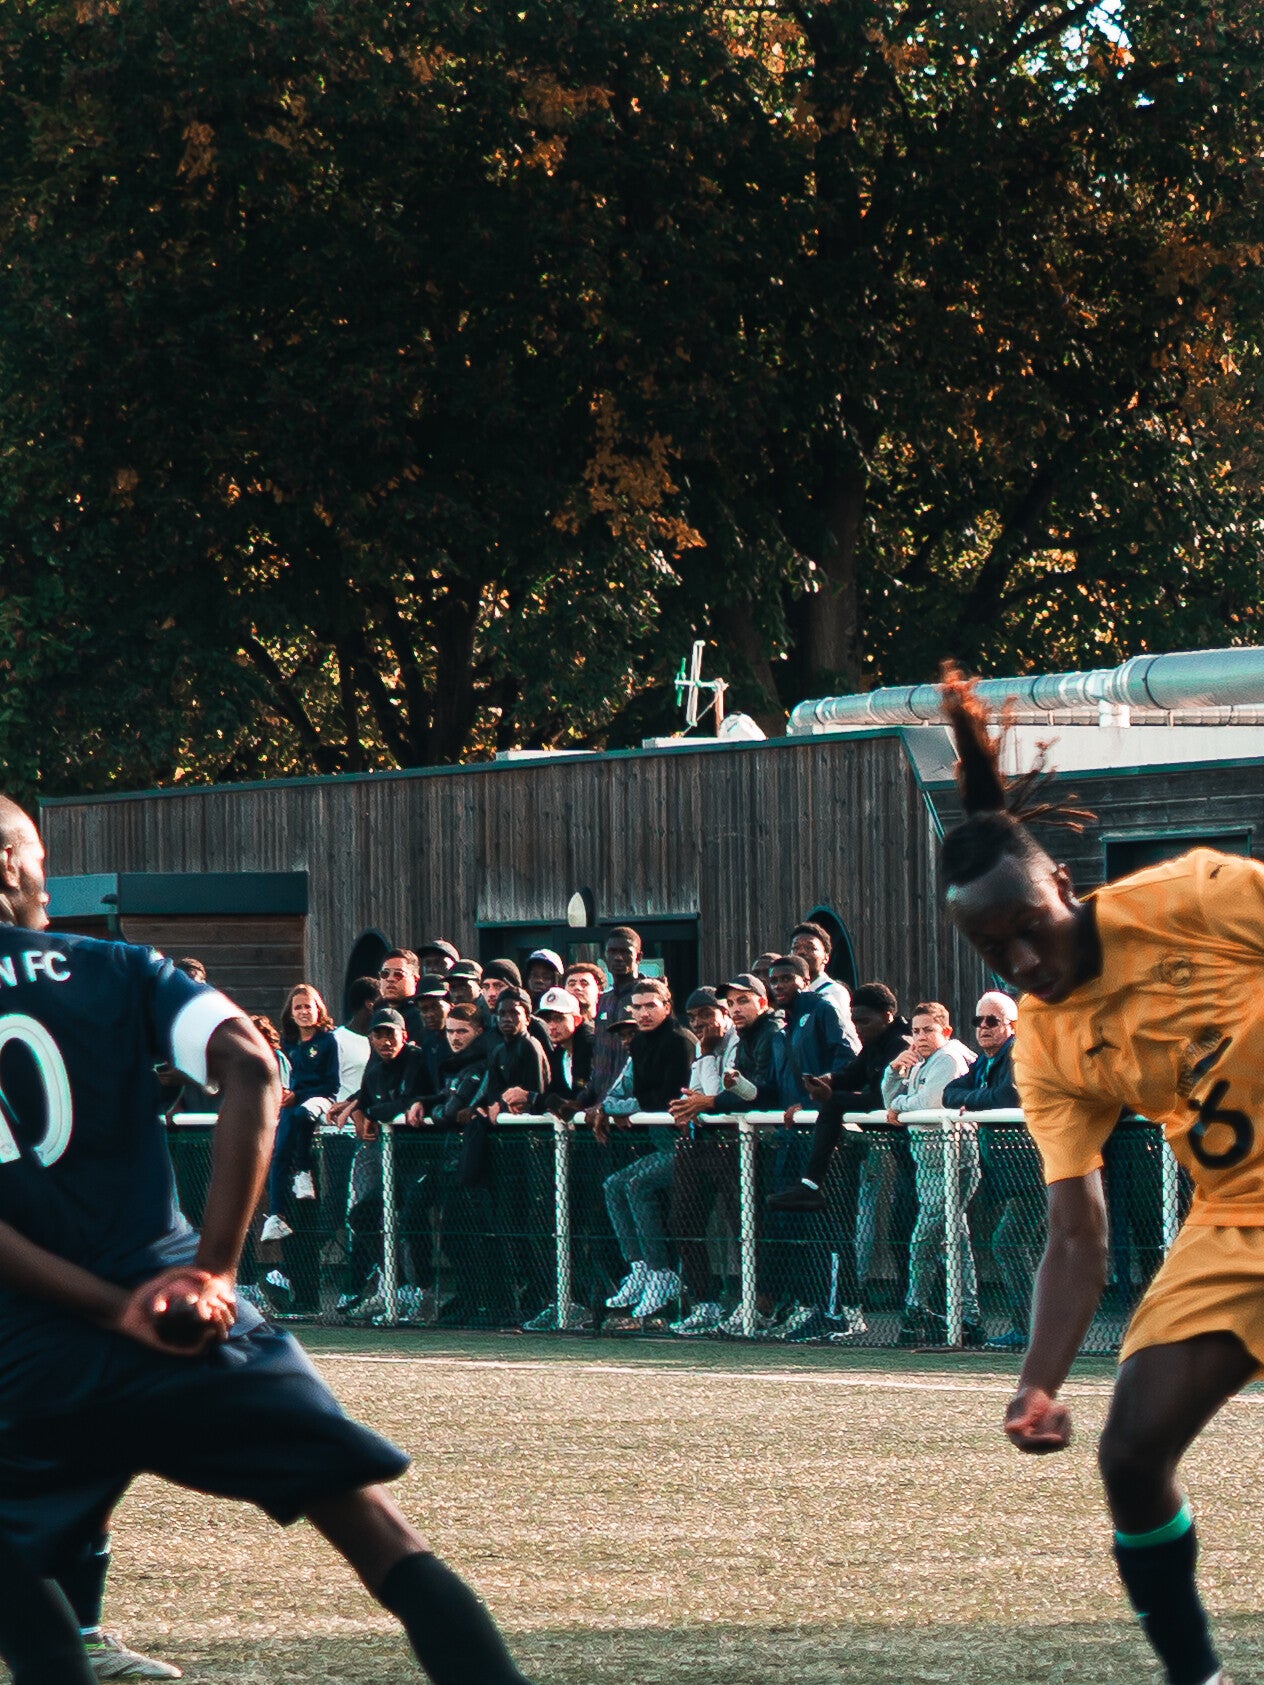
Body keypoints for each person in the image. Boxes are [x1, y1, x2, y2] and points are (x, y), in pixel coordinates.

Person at [0, 794, 533, 1685]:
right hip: (187, 1312)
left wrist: (106, 1309)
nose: (48, 881)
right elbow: (252, 1062)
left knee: (22, 1599)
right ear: (9, 862)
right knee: (379, 1536)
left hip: (31, 1348)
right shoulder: (119, 966)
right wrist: (212, 1270)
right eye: (42, 859)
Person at [939, 667, 1260, 1685]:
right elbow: (1078, 1234)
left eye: (1029, 924)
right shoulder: (1044, 1046)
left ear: (1065, 887)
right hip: (1238, 1223)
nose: (1023, 961)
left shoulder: (1192, 897)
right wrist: (1036, 1379)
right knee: (1129, 1454)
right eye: (993, 949)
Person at [883, 1001, 983, 1348]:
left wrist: (899, 1107)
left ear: (946, 1031)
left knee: (926, 1237)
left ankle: (916, 1311)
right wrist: (893, 1071)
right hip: (926, 1163)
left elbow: (931, 1103)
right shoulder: (918, 1060)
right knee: (954, 1239)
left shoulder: (949, 1058)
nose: (921, 1037)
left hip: (954, 1160)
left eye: (928, 1030)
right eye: (916, 1031)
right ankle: (968, 1318)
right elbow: (890, 1100)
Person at [596, 978, 695, 1322]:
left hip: (687, 1146)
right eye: (637, 1007)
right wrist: (617, 1107)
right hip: (660, 1144)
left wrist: (622, 1108)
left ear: (667, 1006)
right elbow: (632, 1095)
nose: (643, 1013)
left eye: (650, 1006)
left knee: (637, 1184)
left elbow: (665, 1098)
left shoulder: (680, 1041)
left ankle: (661, 1272)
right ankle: (640, 1267)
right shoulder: (639, 1044)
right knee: (614, 1184)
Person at [942, 991, 1035, 1352]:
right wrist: (974, 1099)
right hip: (1011, 1175)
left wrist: (973, 1102)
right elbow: (951, 1093)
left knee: (1009, 1242)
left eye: (992, 1021)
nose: (983, 1027)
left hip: (1037, 1170)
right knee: (1012, 1243)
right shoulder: (984, 1062)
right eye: (978, 1021)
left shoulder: (1018, 1054)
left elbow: (1007, 1096)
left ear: (1012, 1026)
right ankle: (1029, 1328)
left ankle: (1031, 1329)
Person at [664, 989, 741, 1336]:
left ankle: (754, 1304)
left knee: (743, 1225)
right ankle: (705, 1302)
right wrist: (698, 1102)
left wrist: (708, 1055)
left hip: (734, 1144)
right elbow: (693, 1095)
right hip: (699, 1144)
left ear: (724, 1013)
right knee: (683, 1220)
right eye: (693, 1018)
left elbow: (715, 1096)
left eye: (706, 1015)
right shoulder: (702, 1046)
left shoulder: (734, 1042)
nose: (698, 1023)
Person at [259, 984, 340, 1243]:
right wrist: (284, 1094)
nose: (304, 1012)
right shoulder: (289, 1044)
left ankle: (304, 1171)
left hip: (319, 1099)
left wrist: (299, 1095)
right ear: (291, 1013)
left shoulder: (327, 1041)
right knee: (280, 1150)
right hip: (291, 1103)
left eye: (308, 1006)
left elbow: (331, 1085)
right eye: (298, 1007)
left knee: (303, 1114)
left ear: (318, 1010)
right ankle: (276, 1215)